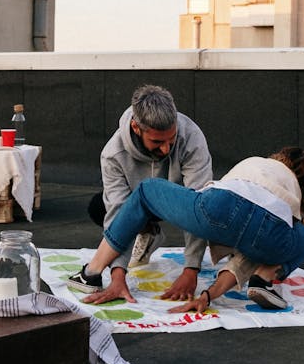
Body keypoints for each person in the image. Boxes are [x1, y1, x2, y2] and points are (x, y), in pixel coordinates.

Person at [69, 147, 304, 311]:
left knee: (147, 191)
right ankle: (265, 278)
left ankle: (91, 272)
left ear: (280, 158)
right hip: (271, 230)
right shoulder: (293, 196)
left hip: (222, 206)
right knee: (303, 237)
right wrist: (209, 295)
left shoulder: (259, 162)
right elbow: (247, 257)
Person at [88, 85, 213, 304]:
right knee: (99, 206)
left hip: (179, 201)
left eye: (171, 140)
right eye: (157, 142)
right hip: (137, 206)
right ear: (136, 128)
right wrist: (117, 276)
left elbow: (199, 205)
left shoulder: (191, 137)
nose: (166, 149)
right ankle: (148, 231)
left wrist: (191, 269)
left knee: (215, 209)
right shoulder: (112, 154)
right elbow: (118, 216)